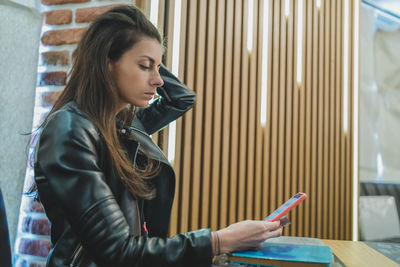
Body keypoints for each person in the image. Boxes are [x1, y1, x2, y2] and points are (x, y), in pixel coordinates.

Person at [33, 5, 282, 267]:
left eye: (158, 68)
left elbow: (182, 98)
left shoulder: (123, 126)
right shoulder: (70, 129)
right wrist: (219, 240)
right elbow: (118, 251)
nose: (158, 80)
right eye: (144, 66)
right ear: (107, 63)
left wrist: (151, 58)